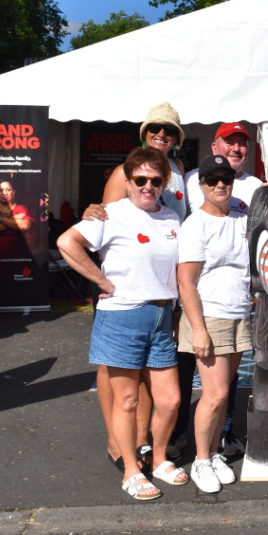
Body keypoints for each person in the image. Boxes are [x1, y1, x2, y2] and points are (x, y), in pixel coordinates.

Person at [57, 146, 189, 501]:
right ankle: (131, 470)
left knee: (170, 400)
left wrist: (176, 310)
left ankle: (158, 459)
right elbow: (67, 242)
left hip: (161, 316)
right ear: (128, 182)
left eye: (155, 180)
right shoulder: (110, 215)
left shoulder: (171, 219)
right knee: (127, 400)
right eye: (141, 179)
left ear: (164, 183)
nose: (148, 186)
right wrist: (101, 281)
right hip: (122, 316)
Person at [81, 103, 189, 470]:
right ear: (144, 132)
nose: (163, 134)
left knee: (147, 375)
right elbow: (103, 219)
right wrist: (105, 280)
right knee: (115, 369)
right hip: (125, 290)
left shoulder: (177, 169)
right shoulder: (124, 171)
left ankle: (140, 440)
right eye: (156, 128)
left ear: (177, 139)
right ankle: (116, 440)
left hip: (160, 285)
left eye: (170, 130)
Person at [176, 155, 251, 493]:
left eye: (227, 178)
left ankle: (216, 452)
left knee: (224, 394)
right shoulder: (196, 224)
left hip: (239, 313)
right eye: (212, 179)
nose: (220, 184)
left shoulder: (241, 215)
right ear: (201, 184)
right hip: (209, 316)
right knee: (215, 393)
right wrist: (199, 329)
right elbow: (186, 281)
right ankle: (201, 460)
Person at [184, 122, 263, 211]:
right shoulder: (190, 179)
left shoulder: (257, 187)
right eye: (229, 142)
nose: (236, 149)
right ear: (215, 148)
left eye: (242, 144)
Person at [0, 181, 33, 260]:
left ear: (13, 192)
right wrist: (13, 219)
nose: (4, 193)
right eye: (1, 190)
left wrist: (0, 219)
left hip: (17, 259)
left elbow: (25, 226)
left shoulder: (20, 208)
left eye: (8, 190)